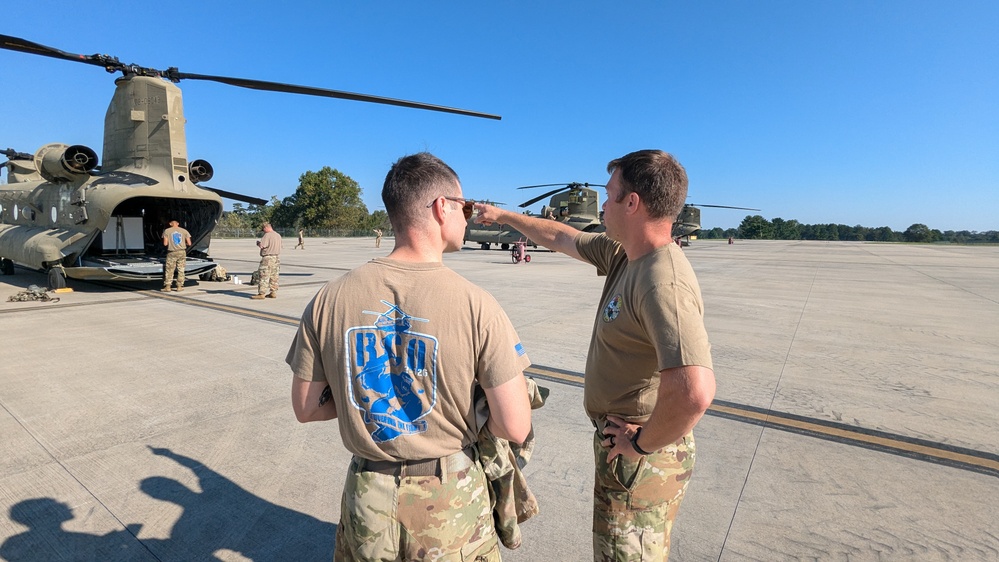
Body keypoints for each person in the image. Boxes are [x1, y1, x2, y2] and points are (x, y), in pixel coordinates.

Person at [287, 152, 532, 561]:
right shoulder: (476, 304)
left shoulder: (328, 299)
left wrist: (359, 402)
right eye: (465, 207)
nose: (468, 216)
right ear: (442, 208)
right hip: (449, 501)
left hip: (367, 497)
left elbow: (306, 408)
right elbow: (515, 425)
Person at [474, 149, 716, 561]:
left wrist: (641, 446)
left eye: (609, 194)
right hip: (625, 446)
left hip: (641, 453)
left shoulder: (663, 282)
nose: (602, 204)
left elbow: (694, 390)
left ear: (632, 203)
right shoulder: (626, 255)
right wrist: (502, 217)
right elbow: (559, 236)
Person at [251, 223, 281, 300]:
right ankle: (273, 292)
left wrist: (258, 243)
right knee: (274, 276)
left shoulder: (267, 235)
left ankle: (261, 293)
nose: (263, 231)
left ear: (266, 227)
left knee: (264, 276)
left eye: (263, 229)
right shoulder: (278, 235)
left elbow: (262, 246)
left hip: (267, 258)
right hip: (276, 258)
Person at [161, 220, 191, 292]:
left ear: (170, 224)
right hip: (182, 252)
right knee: (181, 269)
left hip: (172, 252)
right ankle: (179, 286)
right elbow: (189, 243)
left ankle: (168, 286)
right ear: (178, 224)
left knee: (170, 269)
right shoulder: (184, 231)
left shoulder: (167, 231)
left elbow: (165, 243)